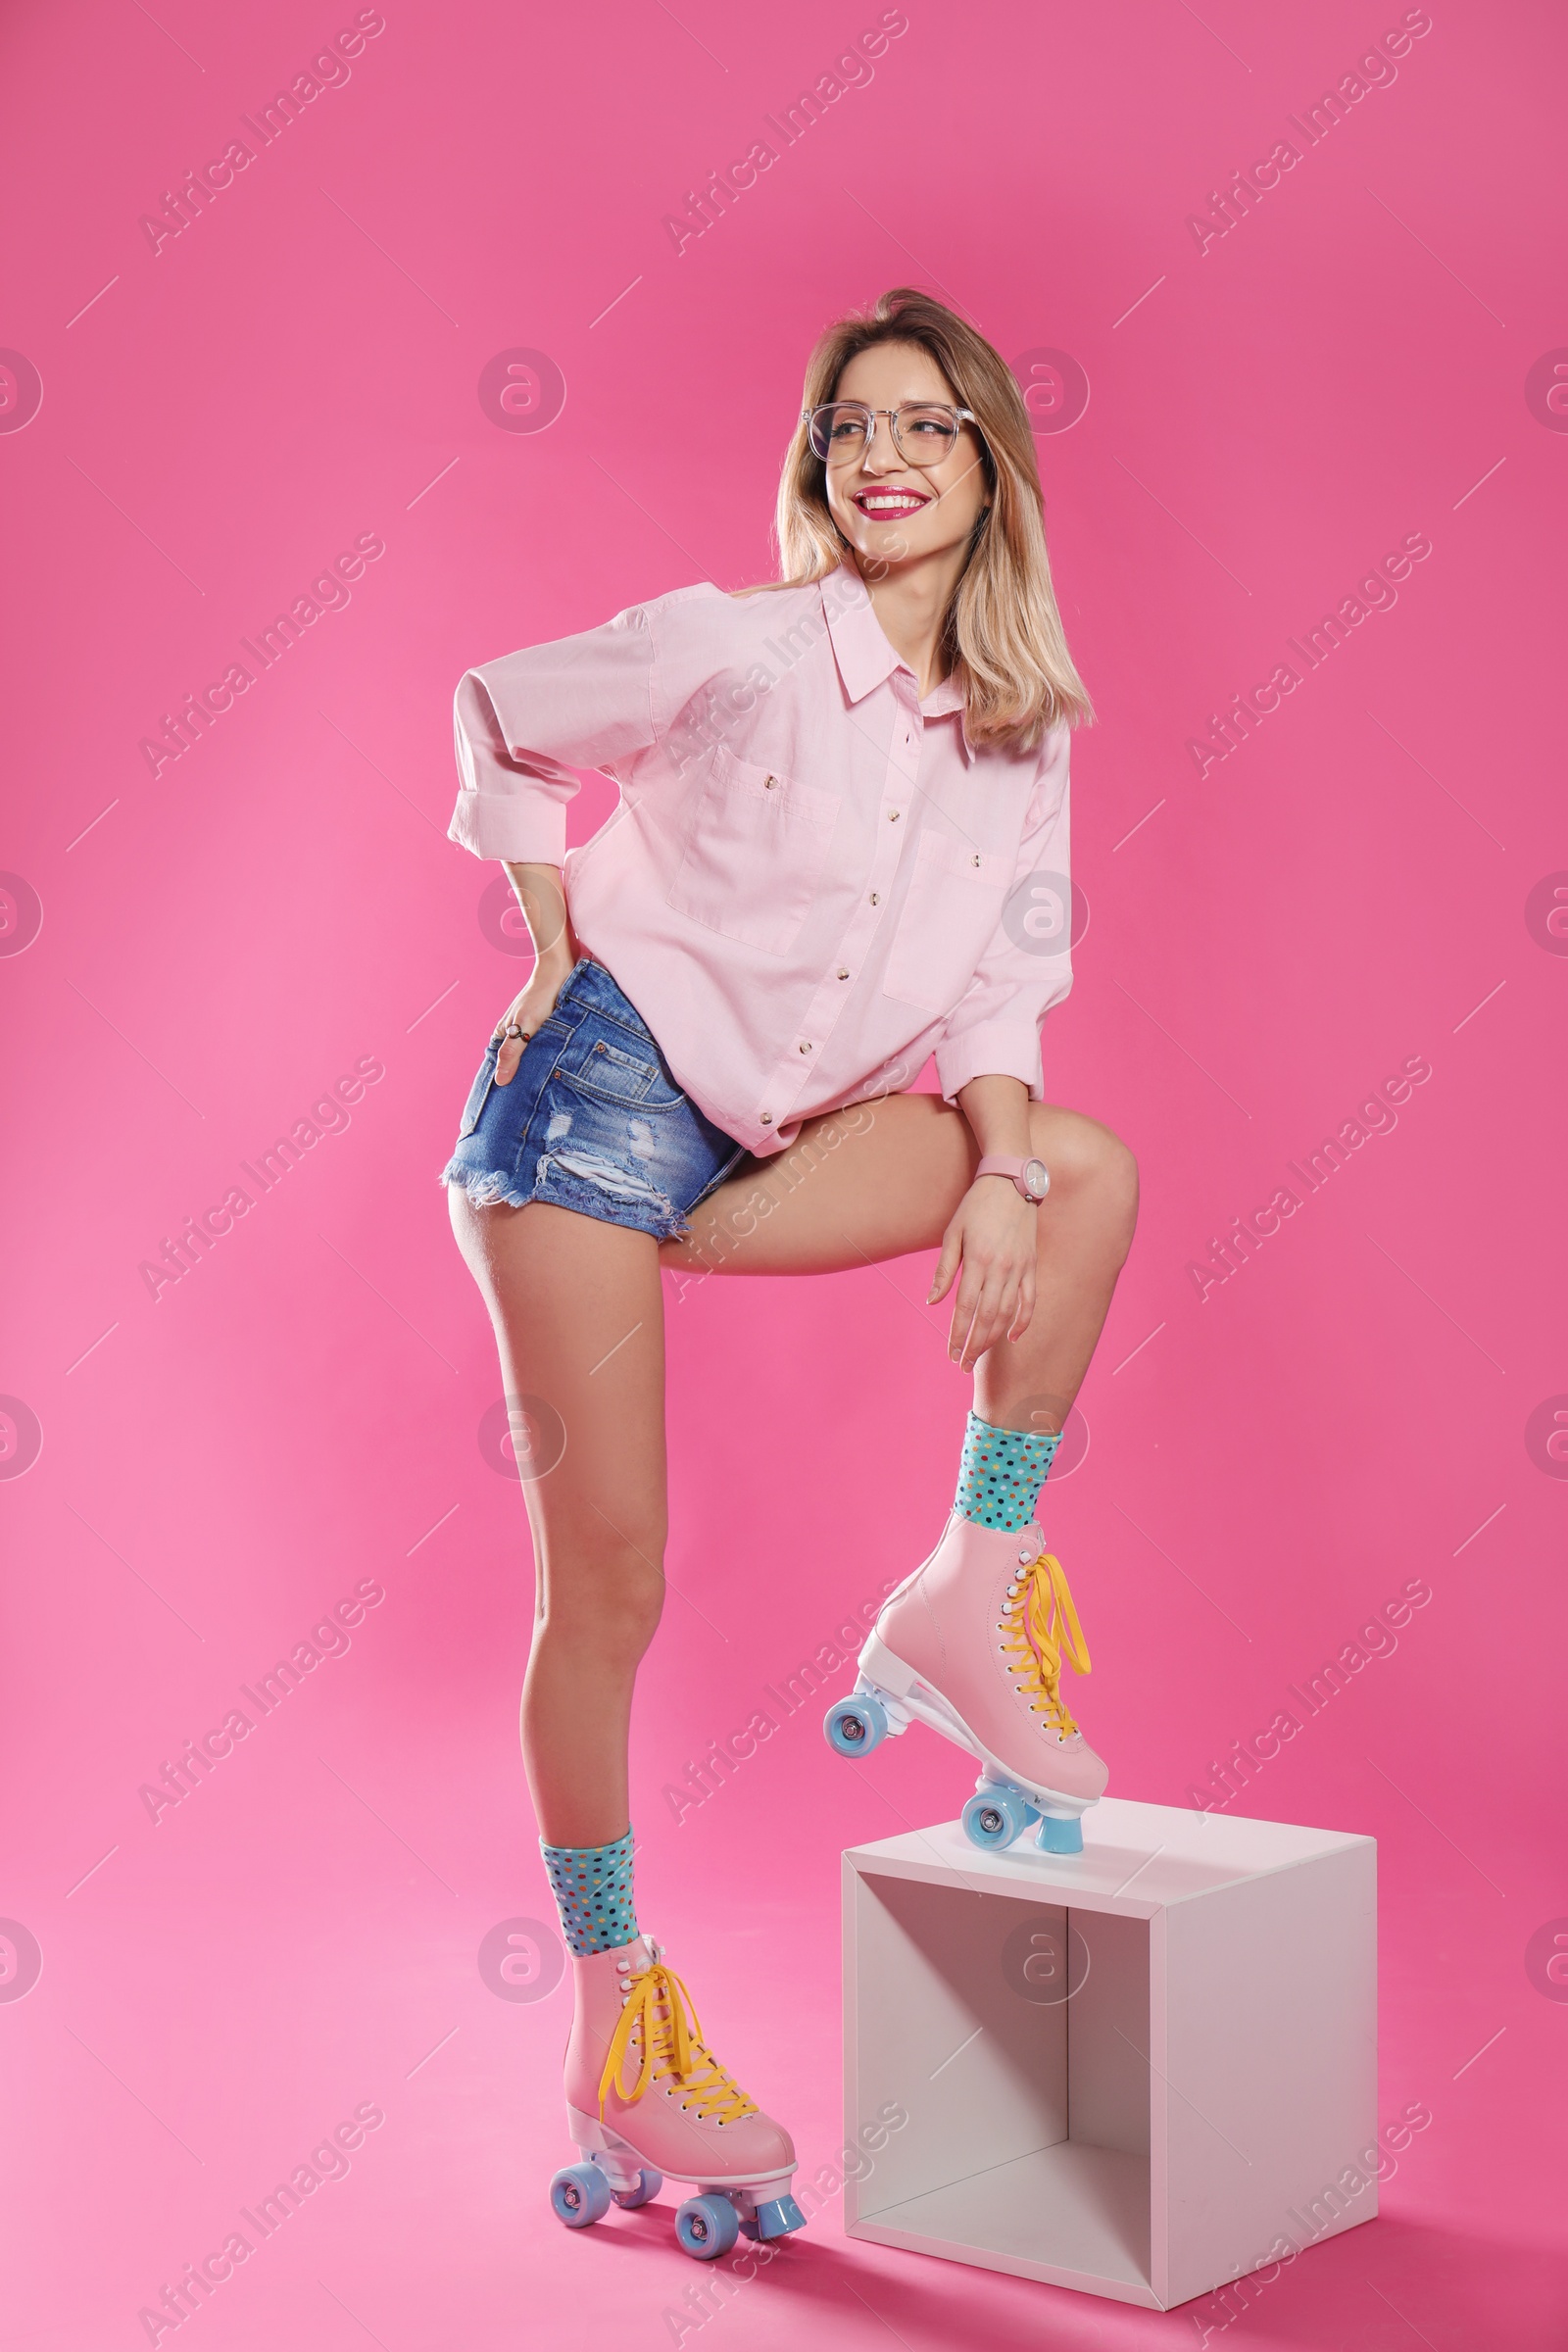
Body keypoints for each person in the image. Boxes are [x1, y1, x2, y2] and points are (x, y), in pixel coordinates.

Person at [440, 286, 1139, 2256]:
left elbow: (1004, 984)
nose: (883, 456)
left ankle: (965, 1588)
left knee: (1078, 1174)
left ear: (988, 461)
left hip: (771, 1149)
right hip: (589, 1119)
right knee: (616, 1578)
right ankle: (613, 2023)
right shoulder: (737, 645)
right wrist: (543, 927)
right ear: (817, 467)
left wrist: (990, 1171)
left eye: (925, 424)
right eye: (849, 428)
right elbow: (500, 707)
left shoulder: (1022, 731)